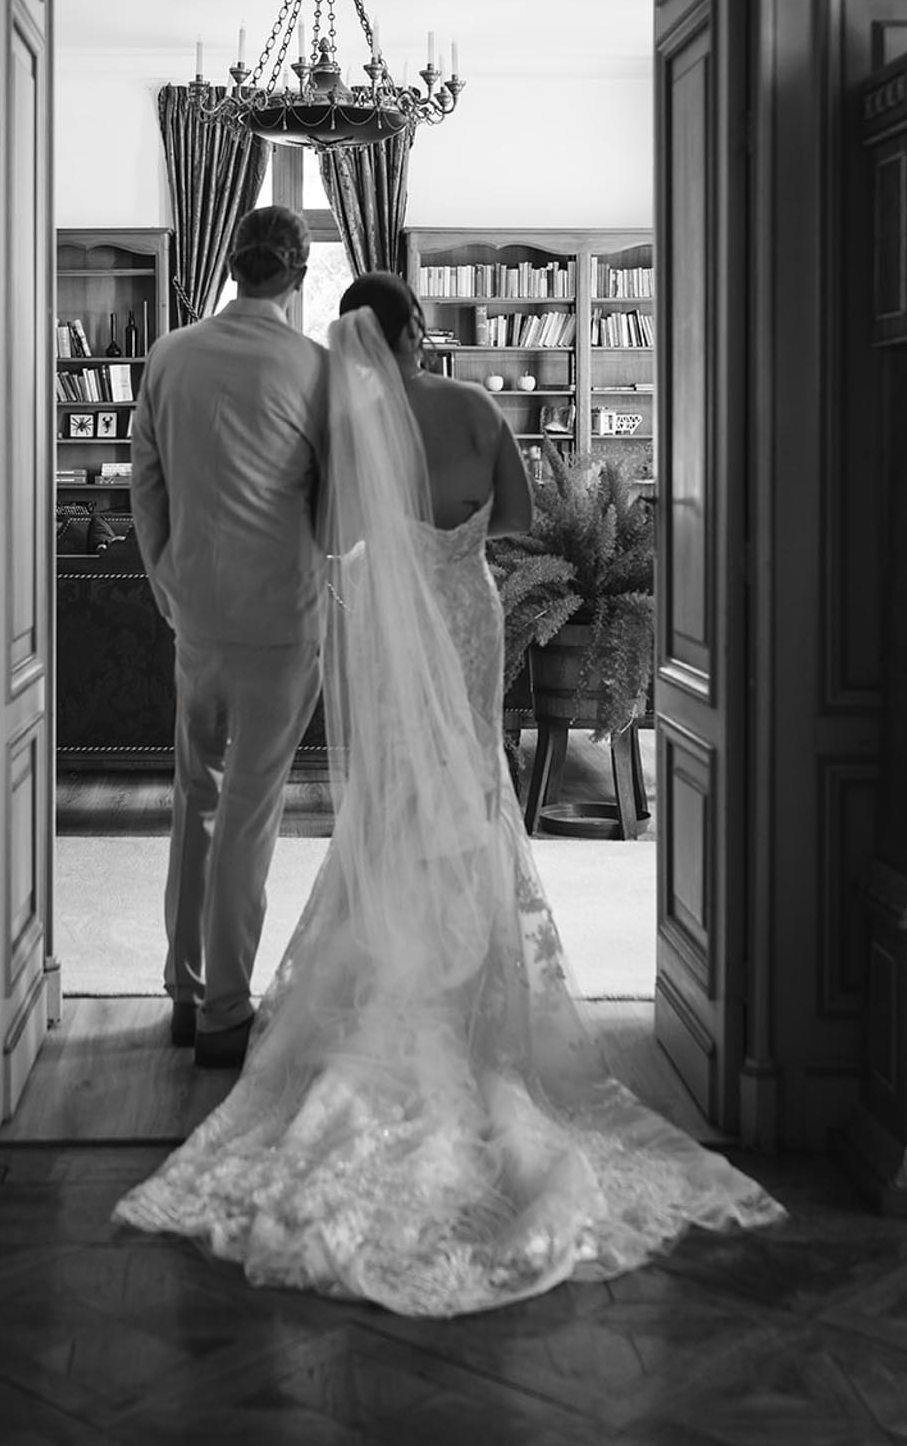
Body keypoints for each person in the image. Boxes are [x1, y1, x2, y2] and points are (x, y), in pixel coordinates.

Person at [115, 269, 783, 1313]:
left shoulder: (355, 426)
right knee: (472, 777)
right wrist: (454, 541)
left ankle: (381, 967)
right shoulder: (474, 407)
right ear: (417, 329)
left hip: (389, 631)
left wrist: (394, 552)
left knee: (392, 787)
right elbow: (517, 516)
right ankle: (475, 982)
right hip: (466, 613)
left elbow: (334, 541)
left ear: (354, 341)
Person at [129, 204, 327, 1070]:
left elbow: (146, 479)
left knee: (194, 796)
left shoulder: (171, 353)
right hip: (281, 620)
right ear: (298, 272)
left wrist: (166, 577)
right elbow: (337, 502)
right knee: (250, 810)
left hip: (197, 614)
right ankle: (223, 1011)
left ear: (237, 266)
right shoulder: (314, 369)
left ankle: (182, 988)